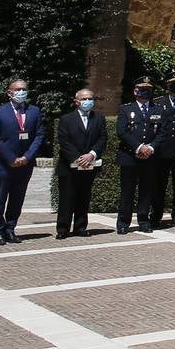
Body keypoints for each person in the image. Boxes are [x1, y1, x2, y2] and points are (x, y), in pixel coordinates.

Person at [0, 79, 44, 246]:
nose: (21, 92)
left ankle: (10, 229)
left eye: (24, 89)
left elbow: (39, 135)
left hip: (25, 164)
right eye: (17, 89)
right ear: (9, 93)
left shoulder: (34, 111)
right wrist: (11, 159)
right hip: (2, 164)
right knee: (0, 198)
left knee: (17, 198)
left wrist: (26, 157)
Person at [116, 76, 172, 234]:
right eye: (142, 89)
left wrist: (151, 148)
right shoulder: (126, 109)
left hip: (151, 157)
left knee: (147, 191)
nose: (145, 92)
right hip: (129, 156)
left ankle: (143, 220)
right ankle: (123, 222)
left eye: (148, 89)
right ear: (135, 91)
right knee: (127, 191)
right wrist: (139, 147)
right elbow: (122, 131)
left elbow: (163, 132)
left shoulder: (159, 109)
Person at [56, 88, 105, 240]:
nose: (88, 101)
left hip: (89, 165)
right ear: (76, 101)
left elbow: (102, 138)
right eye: (84, 99)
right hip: (69, 167)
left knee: (84, 197)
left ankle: (80, 226)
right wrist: (77, 158)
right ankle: (63, 228)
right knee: (66, 198)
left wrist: (91, 154)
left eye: (90, 98)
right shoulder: (66, 119)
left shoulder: (98, 118)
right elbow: (64, 141)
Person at [152, 73, 175, 228]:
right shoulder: (158, 102)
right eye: (172, 83)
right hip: (162, 150)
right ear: (167, 85)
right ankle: (156, 214)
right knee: (159, 184)